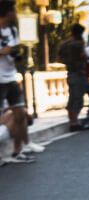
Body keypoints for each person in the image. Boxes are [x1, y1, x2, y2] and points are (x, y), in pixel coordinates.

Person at [0, 0, 33, 162]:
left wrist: (17, 55)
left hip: (11, 77)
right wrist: (2, 51)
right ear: (7, 12)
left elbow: (14, 51)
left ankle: (18, 151)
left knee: (21, 114)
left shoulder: (13, 30)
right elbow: (4, 50)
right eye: (13, 10)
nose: (15, 14)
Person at [59, 24, 89, 132]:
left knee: (72, 99)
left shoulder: (64, 44)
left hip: (70, 73)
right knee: (79, 99)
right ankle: (74, 122)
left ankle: (72, 121)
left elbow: (60, 57)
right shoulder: (78, 44)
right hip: (79, 74)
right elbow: (84, 55)